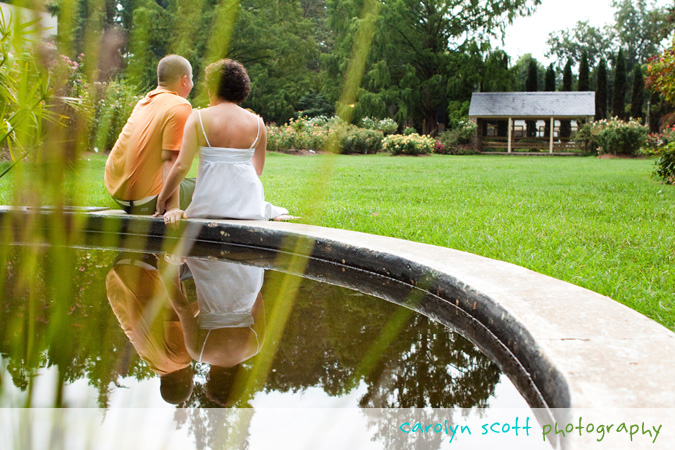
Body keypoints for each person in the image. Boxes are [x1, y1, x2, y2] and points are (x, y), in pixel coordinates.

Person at [154, 58, 293, 226]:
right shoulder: (257, 123)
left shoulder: (198, 118)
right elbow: (257, 170)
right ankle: (268, 212)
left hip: (207, 207)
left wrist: (162, 198)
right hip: (249, 207)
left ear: (212, 88)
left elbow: (181, 166)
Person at [105, 55, 195, 215]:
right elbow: (171, 160)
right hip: (147, 200)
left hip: (118, 193)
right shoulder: (180, 106)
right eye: (192, 80)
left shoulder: (144, 102)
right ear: (184, 80)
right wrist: (173, 208)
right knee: (213, 185)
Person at [105, 252, 197, 404]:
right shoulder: (152, 360)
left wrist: (210, 303)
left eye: (192, 381)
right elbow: (179, 316)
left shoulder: (180, 359)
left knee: (203, 266)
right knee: (187, 274)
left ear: (186, 382)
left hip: (145, 265)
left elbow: (178, 308)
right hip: (120, 269)